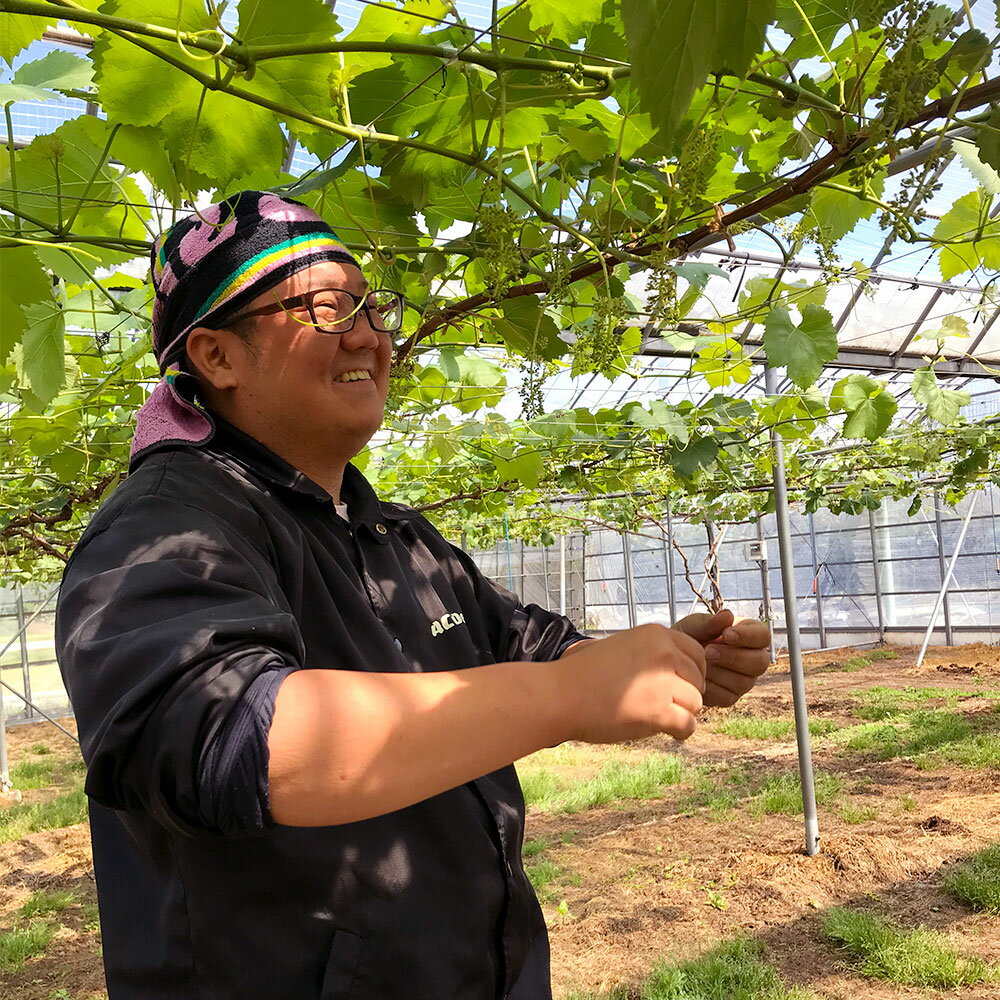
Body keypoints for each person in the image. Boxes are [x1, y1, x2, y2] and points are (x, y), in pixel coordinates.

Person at [55, 190, 770, 1000]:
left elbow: (524, 642)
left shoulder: (394, 534)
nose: (365, 332)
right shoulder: (164, 526)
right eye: (323, 310)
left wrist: (667, 662)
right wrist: (565, 696)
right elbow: (222, 738)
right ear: (216, 357)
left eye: (370, 305)